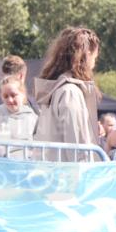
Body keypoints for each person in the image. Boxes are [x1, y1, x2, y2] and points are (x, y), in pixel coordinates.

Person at [34, 27, 102, 159]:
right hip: (68, 174)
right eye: (95, 57)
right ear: (87, 54)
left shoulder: (56, 90)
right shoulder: (70, 92)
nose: (94, 63)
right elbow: (77, 145)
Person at [0, 76, 38, 158]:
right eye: (6, 96)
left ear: (23, 95)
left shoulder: (33, 118)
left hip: (24, 165)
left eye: (13, 95)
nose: (10, 100)